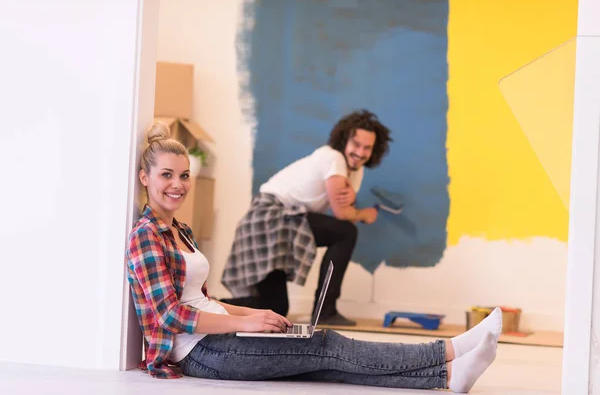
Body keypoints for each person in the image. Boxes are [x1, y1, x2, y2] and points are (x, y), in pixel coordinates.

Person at [125, 122, 502, 392]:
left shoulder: (181, 231)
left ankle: (450, 376)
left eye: (185, 175)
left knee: (325, 363)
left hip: (217, 337)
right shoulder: (146, 236)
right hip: (201, 352)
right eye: (167, 176)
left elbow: (205, 300)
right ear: (145, 177)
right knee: (326, 346)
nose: (178, 185)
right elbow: (170, 315)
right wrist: (247, 324)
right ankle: (451, 350)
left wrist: (253, 316)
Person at [220, 109, 393, 326]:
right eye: (356, 144)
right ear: (343, 140)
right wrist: (366, 214)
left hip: (286, 221)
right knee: (346, 232)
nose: (360, 152)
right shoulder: (334, 157)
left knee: (275, 309)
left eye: (367, 148)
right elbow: (342, 213)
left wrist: (351, 210)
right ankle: (325, 311)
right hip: (268, 217)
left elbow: (345, 211)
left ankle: (215, 306)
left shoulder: (355, 171)